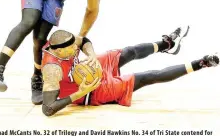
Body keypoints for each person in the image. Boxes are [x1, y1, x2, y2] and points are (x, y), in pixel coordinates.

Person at [40, 27, 219, 117]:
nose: (75, 49)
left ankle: (168, 45)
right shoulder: (52, 71)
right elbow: (48, 109)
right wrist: (80, 93)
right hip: (91, 90)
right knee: (147, 76)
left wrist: (92, 55)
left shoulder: (60, 41)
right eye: (71, 49)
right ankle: (202, 63)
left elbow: (84, 40)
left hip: (88, 70)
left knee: (128, 52)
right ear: (59, 51)